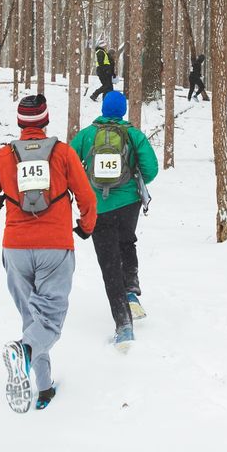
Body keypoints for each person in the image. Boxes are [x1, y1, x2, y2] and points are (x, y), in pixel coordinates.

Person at [0, 95, 98, 413]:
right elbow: (87, 198)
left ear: (19, 123)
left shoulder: (3, 156)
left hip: (15, 248)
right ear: (45, 121)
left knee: (33, 318)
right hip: (55, 246)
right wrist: (86, 226)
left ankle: (43, 388)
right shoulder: (64, 154)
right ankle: (26, 353)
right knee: (49, 321)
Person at [70, 91, 159, 351]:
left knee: (109, 264)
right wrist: (130, 181)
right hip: (129, 202)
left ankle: (124, 326)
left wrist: (87, 184)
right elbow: (151, 169)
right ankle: (131, 289)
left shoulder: (87, 134)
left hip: (97, 205)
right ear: (122, 111)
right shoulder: (133, 134)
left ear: (103, 108)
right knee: (127, 242)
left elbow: (69, 163)